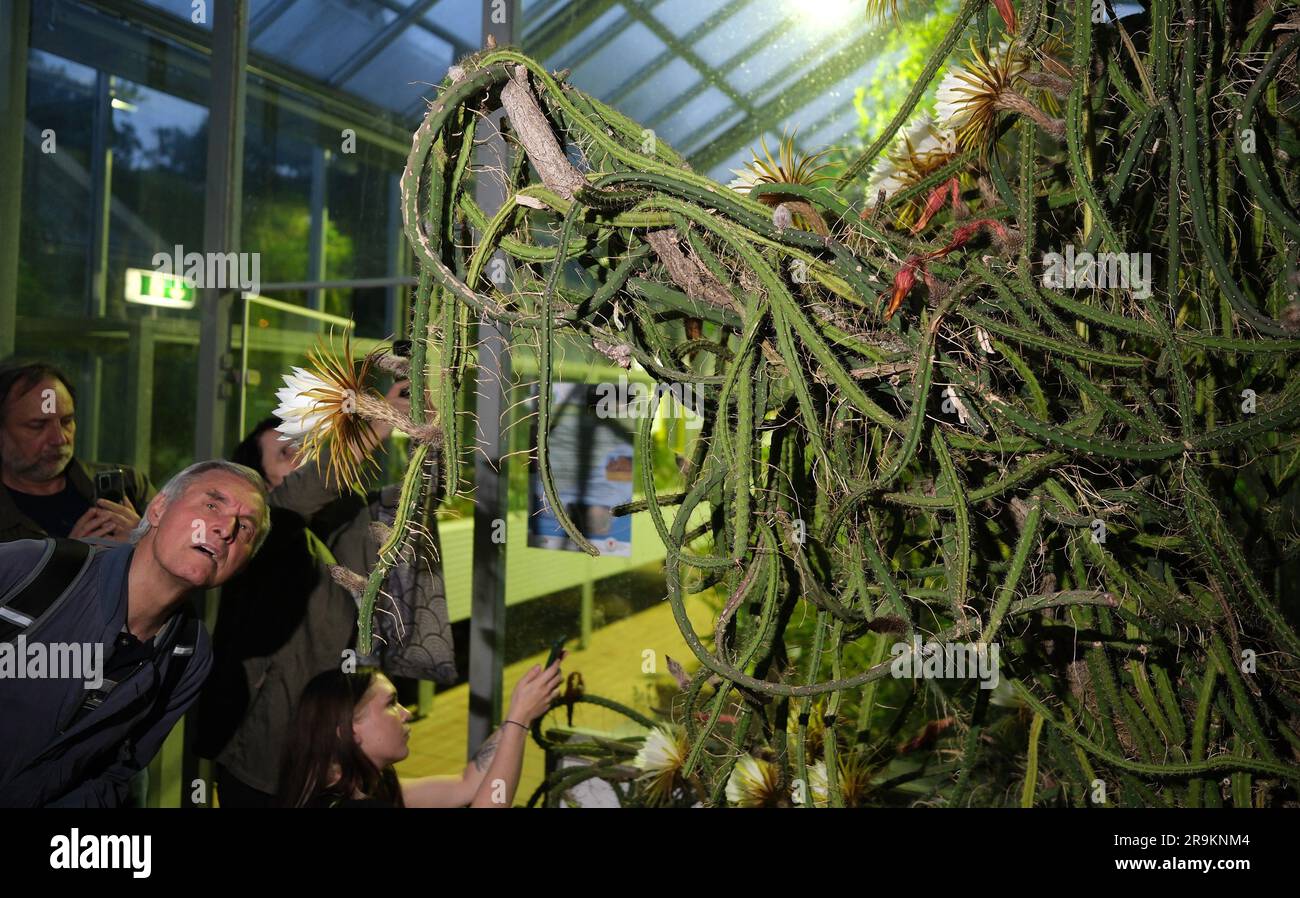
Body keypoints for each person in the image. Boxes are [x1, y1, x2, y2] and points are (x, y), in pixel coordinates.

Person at [199, 378, 456, 807]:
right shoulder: (260, 534)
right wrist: (375, 424)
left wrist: (426, 426)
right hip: (270, 763)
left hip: (338, 758)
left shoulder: (350, 520)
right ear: (260, 485)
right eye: (286, 454)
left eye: (306, 447)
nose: (303, 458)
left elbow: (424, 495)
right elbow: (298, 495)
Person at [0, 460, 269, 807]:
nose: (225, 529)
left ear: (242, 563)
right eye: (212, 504)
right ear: (157, 509)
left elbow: (117, 769)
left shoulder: (189, 654)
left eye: (245, 528)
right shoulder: (37, 570)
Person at [278, 661, 562, 808]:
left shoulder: (366, 783)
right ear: (349, 730)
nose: (406, 713)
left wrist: (521, 712)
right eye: (391, 703)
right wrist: (519, 721)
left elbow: (467, 784)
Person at [0, 360, 154, 544]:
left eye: (66, 421)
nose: (59, 439)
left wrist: (144, 541)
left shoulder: (128, 485)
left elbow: (188, 564)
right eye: (38, 426)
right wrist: (69, 558)